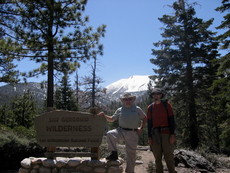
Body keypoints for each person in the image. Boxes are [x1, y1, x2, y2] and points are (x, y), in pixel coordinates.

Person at [98, 92, 147, 173]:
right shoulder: (120, 110)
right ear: (123, 101)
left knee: (131, 154)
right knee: (110, 134)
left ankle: (130, 171)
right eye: (125, 99)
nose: (127, 101)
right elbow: (112, 119)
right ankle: (114, 153)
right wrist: (104, 115)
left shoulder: (137, 109)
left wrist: (141, 128)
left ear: (132, 100)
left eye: (129, 99)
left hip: (132, 132)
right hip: (121, 130)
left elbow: (144, 118)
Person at [147, 88, 176, 173]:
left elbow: (172, 120)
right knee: (157, 157)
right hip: (155, 134)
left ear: (161, 95)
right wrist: (149, 137)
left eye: (158, 94)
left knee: (169, 156)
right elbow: (149, 123)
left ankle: (172, 171)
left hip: (166, 133)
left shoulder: (167, 105)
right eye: (154, 94)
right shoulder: (150, 108)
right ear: (152, 96)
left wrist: (172, 134)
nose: (156, 96)